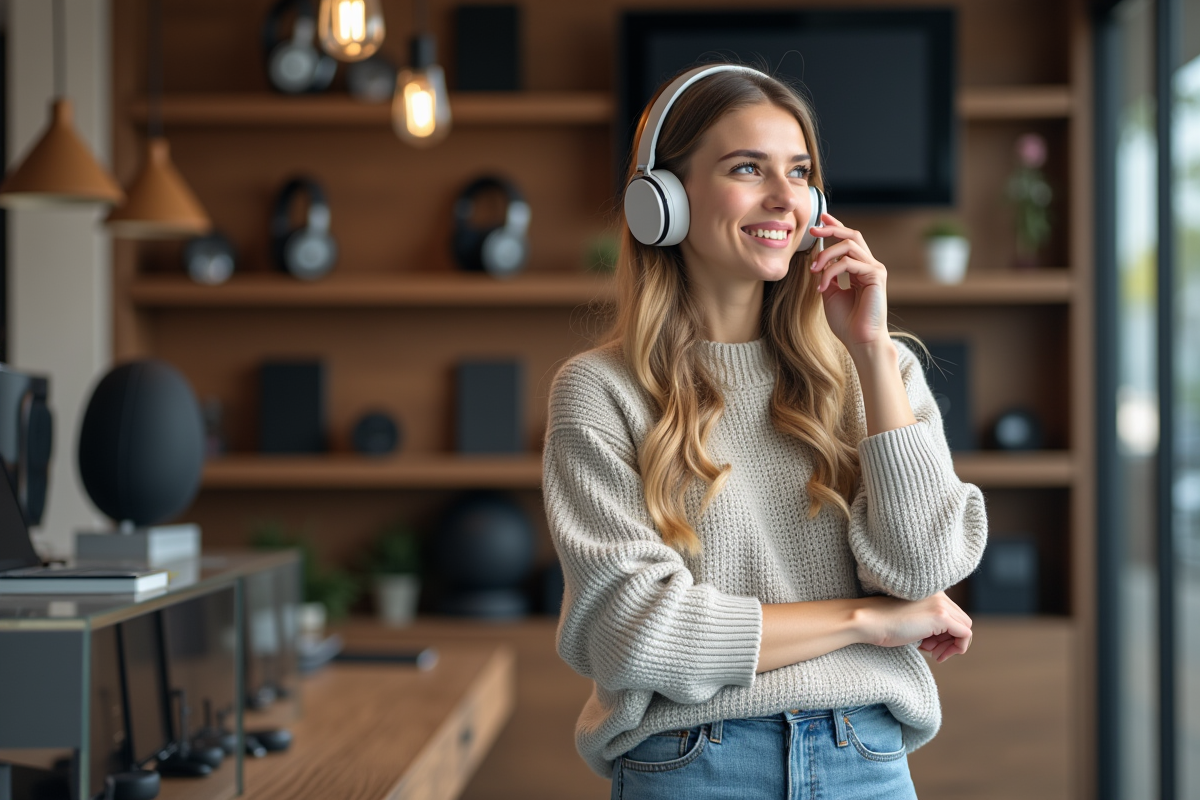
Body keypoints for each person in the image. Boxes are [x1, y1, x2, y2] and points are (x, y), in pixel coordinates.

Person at [542, 64, 987, 799]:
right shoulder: (600, 392)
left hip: (865, 758)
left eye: (801, 172)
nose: (787, 198)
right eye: (749, 168)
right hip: (692, 763)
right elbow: (636, 635)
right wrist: (866, 620)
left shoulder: (877, 369)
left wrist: (871, 352)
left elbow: (924, 569)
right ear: (663, 200)